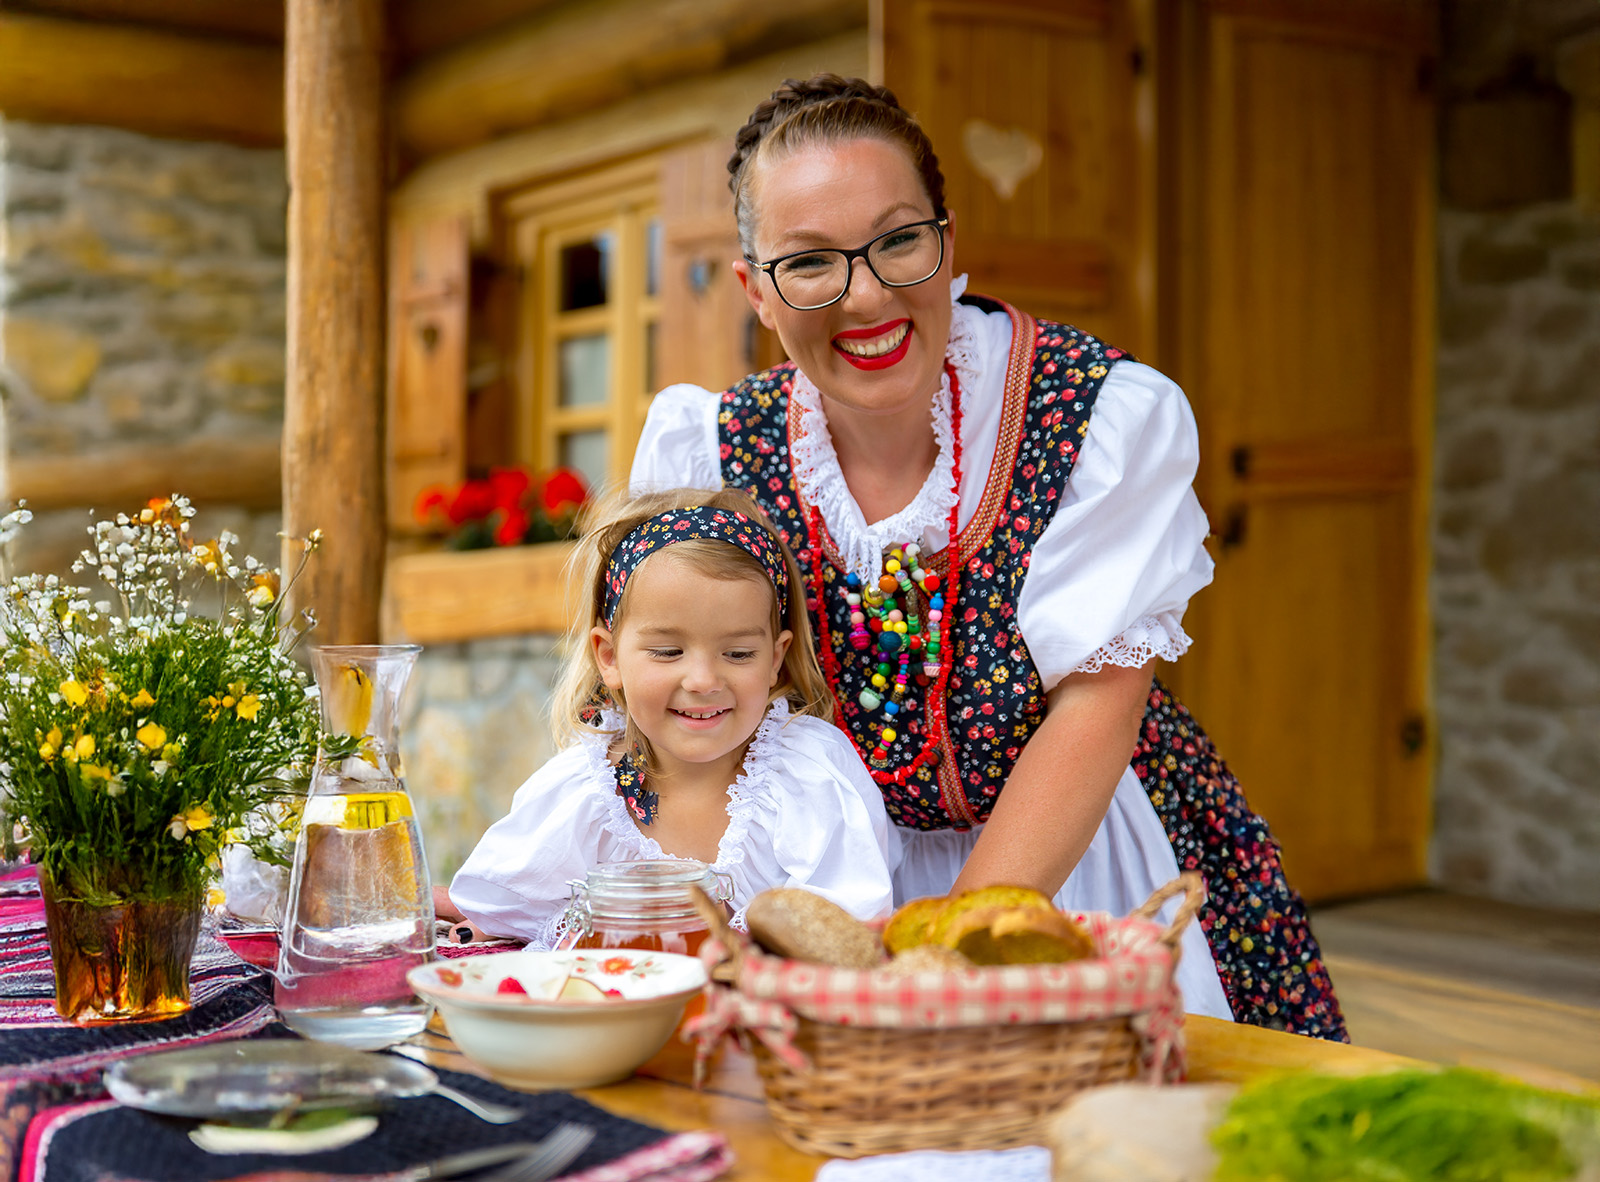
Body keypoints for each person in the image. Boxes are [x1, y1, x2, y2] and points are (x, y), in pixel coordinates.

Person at [631, 75, 1346, 1039]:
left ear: (948, 241)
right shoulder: (716, 452)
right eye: (809, 263)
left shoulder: (1094, 415)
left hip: (1076, 864)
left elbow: (1092, 712)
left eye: (898, 241)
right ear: (755, 288)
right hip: (828, 884)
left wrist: (936, 967)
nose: (870, 294)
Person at [450, 488, 899, 947]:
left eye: (739, 653)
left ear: (775, 660)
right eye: (668, 651)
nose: (703, 680)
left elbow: (850, 928)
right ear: (610, 658)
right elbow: (507, 912)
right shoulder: (585, 792)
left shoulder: (810, 777)